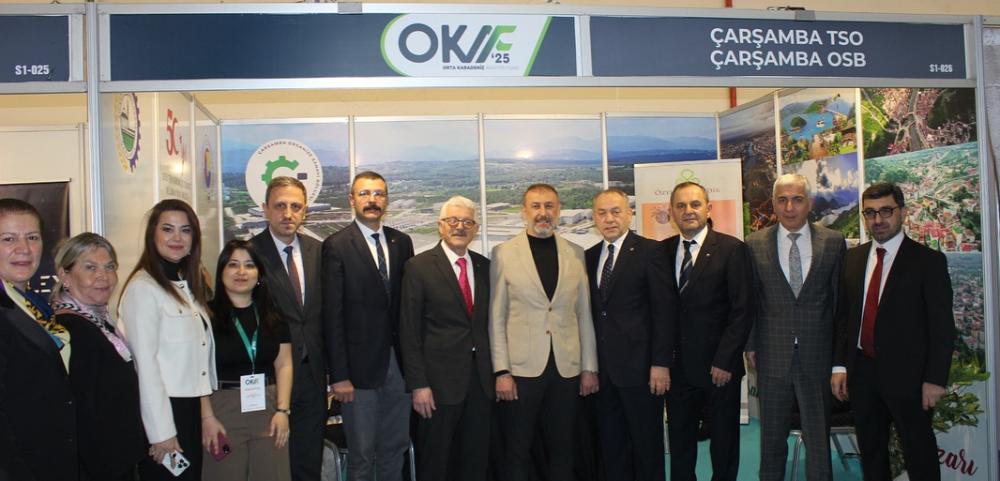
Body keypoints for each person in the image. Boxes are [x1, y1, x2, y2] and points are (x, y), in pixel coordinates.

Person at [831, 182, 955, 481]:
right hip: (862, 373)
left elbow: (942, 326)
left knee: (919, 453)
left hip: (910, 377)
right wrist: (839, 366)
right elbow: (844, 319)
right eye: (870, 213)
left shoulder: (928, 262)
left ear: (902, 212)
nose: (878, 219)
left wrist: (934, 380)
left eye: (886, 211)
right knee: (872, 453)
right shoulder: (853, 259)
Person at [489, 183, 599, 481]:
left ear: (558, 210)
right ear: (524, 211)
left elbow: (584, 315)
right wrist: (501, 370)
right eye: (536, 206)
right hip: (521, 371)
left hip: (567, 369)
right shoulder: (503, 253)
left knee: (563, 449)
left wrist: (589, 367)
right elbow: (496, 318)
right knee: (518, 450)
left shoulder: (575, 253)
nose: (543, 213)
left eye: (549, 206)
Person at [744, 174, 845, 481]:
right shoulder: (754, 244)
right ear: (774, 204)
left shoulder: (833, 241)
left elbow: (839, 305)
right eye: (783, 200)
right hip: (772, 355)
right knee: (772, 441)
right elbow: (750, 300)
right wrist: (751, 344)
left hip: (817, 356)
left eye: (797, 199)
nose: (790, 207)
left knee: (818, 441)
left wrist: (839, 360)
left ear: (809, 203)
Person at [323, 171, 415, 481]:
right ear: (352, 200)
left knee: (395, 448)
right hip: (357, 373)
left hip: (399, 367)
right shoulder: (336, 245)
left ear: (386, 200)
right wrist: (339, 375)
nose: (372, 200)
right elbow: (332, 316)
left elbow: (408, 307)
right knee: (362, 453)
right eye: (364, 193)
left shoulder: (402, 242)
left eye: (379, 194)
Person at [118, 198, 217, 481]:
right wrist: (161, 432)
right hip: (163, 414)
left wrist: (205, 415)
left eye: (185, 230)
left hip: (187, 411)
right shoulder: (143, 288)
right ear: (153, 234)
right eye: (168, 229)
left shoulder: (184, 286)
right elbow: (145, 365)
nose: (177, 238)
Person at [663, 181, 753, 481]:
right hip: (677, 369)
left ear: (708, 208)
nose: (688, 211)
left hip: (719, 369)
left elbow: (742, 310)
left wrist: (725, 360)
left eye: (695, 204)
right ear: (672, 212)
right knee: (680, 443)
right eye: (681, 206)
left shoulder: (732, 249)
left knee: (724, 443)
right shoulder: (662, 252)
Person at [399, 196, 494, 481]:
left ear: (476, 229)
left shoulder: (485, 266)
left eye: (467, 222)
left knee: (476, 460)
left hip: (481, 384)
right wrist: (419, 385)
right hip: (437, 387)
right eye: (453, 221)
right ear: (440, 225)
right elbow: (408, 331)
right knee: (436, 462)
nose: (459, 227)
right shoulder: (419, 267)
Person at [584, 188, 674, 481]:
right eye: (602, 213)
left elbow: (664, 312)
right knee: (612, 447)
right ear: (594, 217)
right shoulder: (588, 257)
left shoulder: (651, 252)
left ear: (629, 214)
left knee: (646, 446)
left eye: (616, 212)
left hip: (642, 371)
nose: (609, 219)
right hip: (603, 372)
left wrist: (660, 363)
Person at [51, 232, 147, 481]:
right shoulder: (69, 328)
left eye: (110, 267)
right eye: (90, 268)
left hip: (117, 458)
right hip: (98, 465)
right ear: (65, 276)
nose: (103, 276)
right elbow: (81, 410)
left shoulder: (99, 321)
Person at [250, 176, 327, 481]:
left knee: (307, 460)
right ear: (265, 209)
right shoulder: (249, 254)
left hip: (312, 374)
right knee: (271, 462)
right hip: (269, 377)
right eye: (280, 206)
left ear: (304, 211)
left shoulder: (318, 251)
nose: (288, 213)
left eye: (296, 207)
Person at [201, 239, 294, 481]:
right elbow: (196, 371)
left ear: (259, 274)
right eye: (233, 264)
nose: (241, 272)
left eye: (249, 265)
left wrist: (283, 410)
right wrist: (206, 417)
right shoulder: (205, 317)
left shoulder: (273, 316)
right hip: (222, 410)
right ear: (221, 272)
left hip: (268, 408)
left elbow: (284, 364)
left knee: (272, 475)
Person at [0, 198, 77, 481]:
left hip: (51, 456)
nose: (24, 248)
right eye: (8, 239)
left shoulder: (35, 305)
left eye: (32, 237)